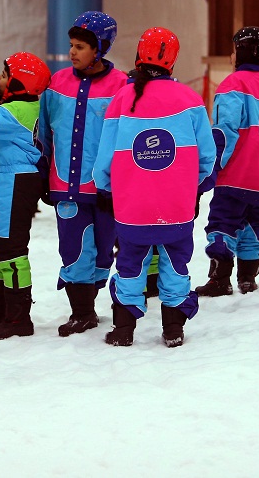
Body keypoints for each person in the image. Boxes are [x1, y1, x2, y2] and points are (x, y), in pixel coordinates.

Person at [94, 27, 216, 347]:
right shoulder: (189, 99)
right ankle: (173, 327)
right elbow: (207, 155)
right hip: (177, 204)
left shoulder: (123, 98)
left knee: (131, 263)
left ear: (138, 55)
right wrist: (196, 188)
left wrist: (106, 189)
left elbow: (104, 157)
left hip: (132, 205)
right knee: (176, 262)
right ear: (172, 62)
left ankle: (124, 328)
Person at [37, 10, 128, 337]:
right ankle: (81, 311)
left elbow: (125, 140)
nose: (72, 52)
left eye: (80, 46)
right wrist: (42, 173)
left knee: (104, 250)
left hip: (107, 189)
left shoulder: (123, 87)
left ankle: (89, 303)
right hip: (65, 186)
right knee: (74, 248)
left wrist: (121, 185)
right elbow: (44, 132)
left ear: (99, 48)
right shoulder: (56, 83)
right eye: (71, 45)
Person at [195, 27, 259, 297]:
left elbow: (225, 130)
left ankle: (219, 279)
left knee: (222, 223)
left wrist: (213, 167)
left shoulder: (233, 85)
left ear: (239, 53)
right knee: (255, 226)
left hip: (237, 175)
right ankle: (248, 276)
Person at [0, 52, 51, 340]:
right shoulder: (20, 105)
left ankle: (18, 319)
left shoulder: (18, 109)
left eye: (6, 75)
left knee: (10, 250)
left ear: (20, 81)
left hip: (15, 181)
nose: (0, 79)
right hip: (6, 179)